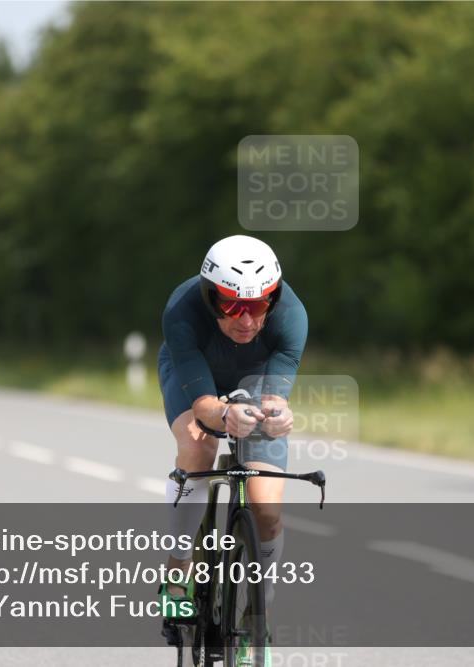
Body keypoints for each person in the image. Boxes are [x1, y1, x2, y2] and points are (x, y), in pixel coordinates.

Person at [158, 235, 308, 662]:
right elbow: (204, 405)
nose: (246, 320)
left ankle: (259, 609)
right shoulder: (182, 310)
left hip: (255, 377)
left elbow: (275, 396)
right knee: (196, 445)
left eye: (259, 305)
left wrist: (279, 415)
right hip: (195, 372)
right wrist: (222, 416)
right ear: (209, 298)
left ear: (273, 299)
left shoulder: (292, 316)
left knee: (266, 509)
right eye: (231, 306)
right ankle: (179, 569)